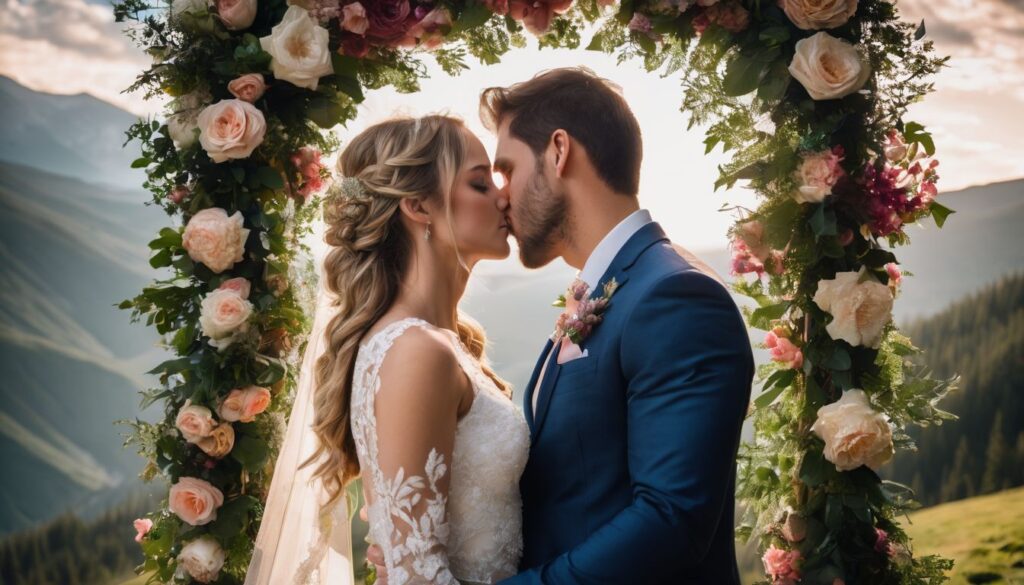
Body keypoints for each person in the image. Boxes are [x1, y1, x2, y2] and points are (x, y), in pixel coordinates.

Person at [370, 67, 755, 584]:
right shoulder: (611, 290)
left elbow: (671, 521)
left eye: (505, 170)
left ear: (558, 151)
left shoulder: (675, 295)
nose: (501, 197)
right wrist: (417, 535)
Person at [245, 114, 529, 585]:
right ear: (419, 206)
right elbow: (418, 575)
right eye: (480, 184)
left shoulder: (435, 343)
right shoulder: (417, 352)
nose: (504, 196)